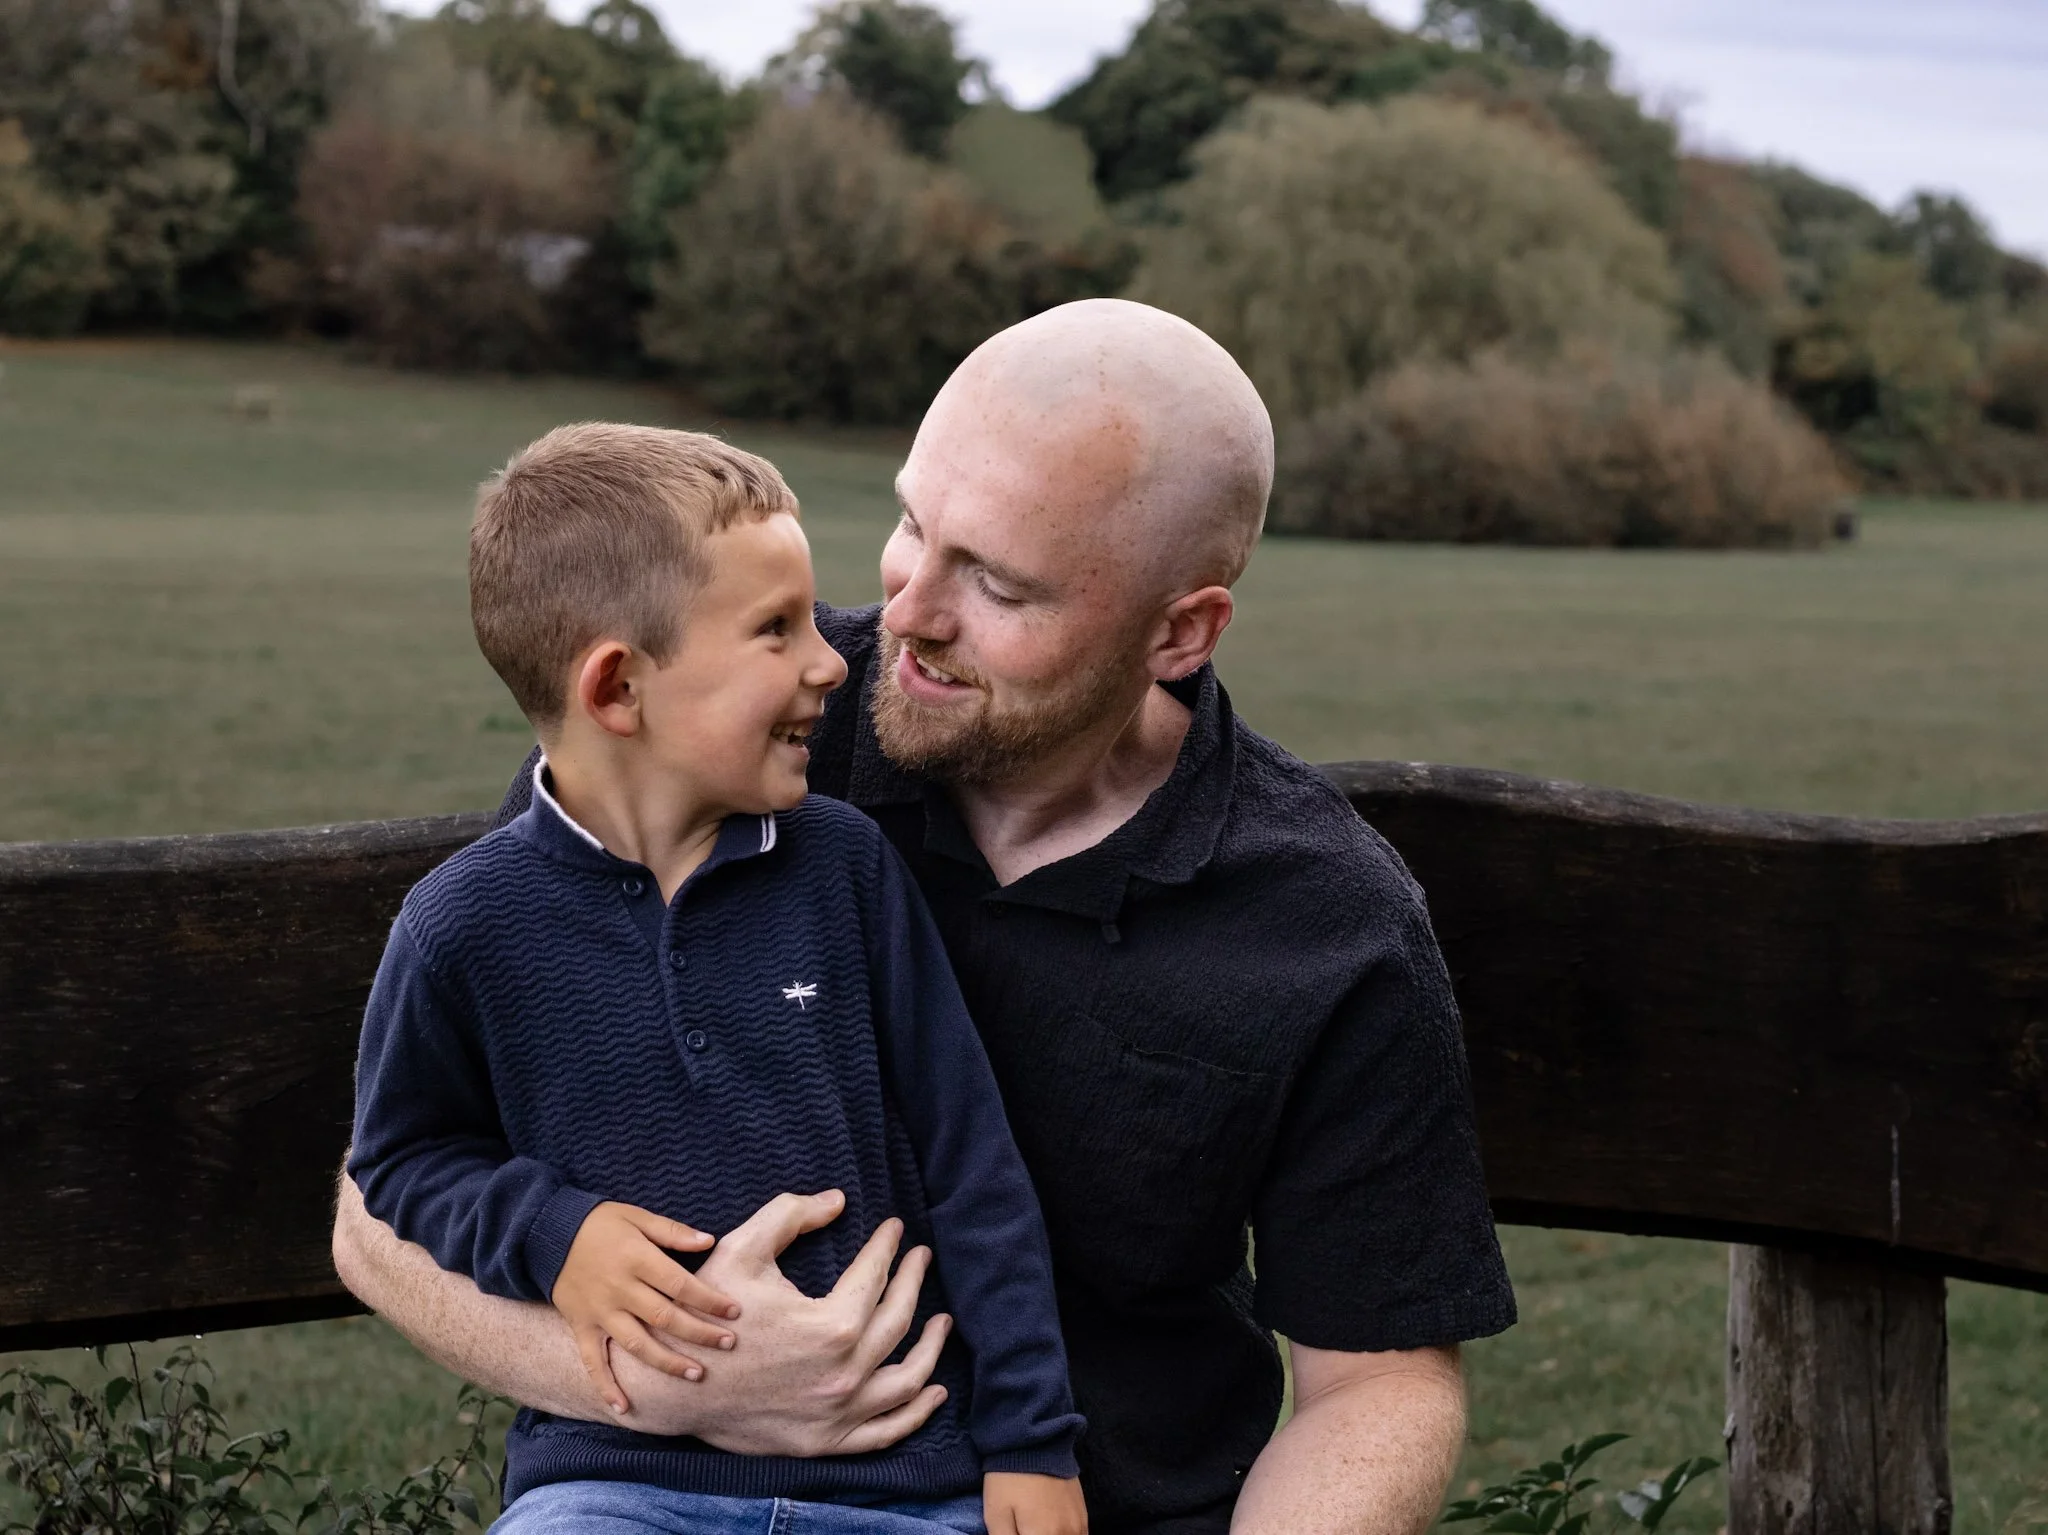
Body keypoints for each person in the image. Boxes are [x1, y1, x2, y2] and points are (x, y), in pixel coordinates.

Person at [335, 300, 1516, 1535]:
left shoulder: (1326, 921)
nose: (901, 614)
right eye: (910, 524)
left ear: (1180, 631)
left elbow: (1376, 1381)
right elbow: (382, 1201)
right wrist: (680, 1387)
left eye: (996, 581)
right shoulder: (733, 730)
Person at [346, 424, 1086, 1535]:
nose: (832, 660)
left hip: (907, 1488)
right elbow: (402, 1158)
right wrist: (556, 1232)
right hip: (608, 1489)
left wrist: (1033, 1443)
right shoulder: (464, 924)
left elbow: (972, 1163)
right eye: (774, 630)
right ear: (617, 686)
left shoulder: (845, 870)